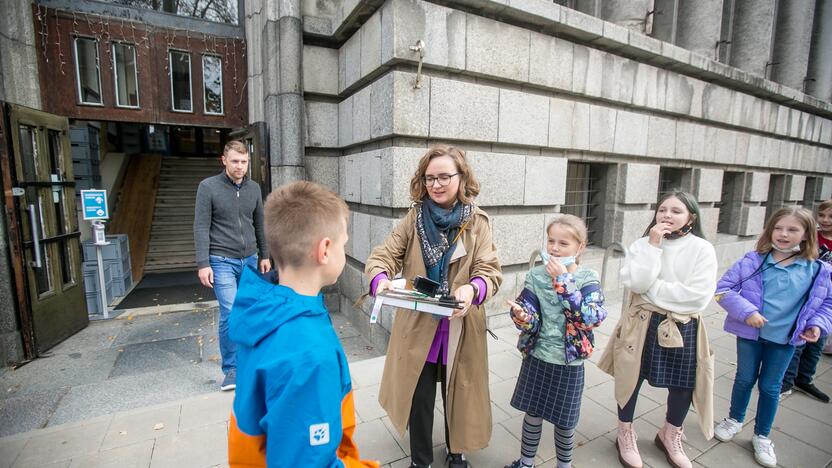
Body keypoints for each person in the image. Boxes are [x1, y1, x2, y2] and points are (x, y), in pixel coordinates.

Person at [364, 145, 502, 468]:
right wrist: (380, 279)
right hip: (419, 326)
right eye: (430, 178)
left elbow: (490, 270)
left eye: (444, 177)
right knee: (419, 397)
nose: (436, 185)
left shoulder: (478, 222)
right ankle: (421, 460)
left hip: (460, 326)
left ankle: (458, 450)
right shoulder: (414, 218)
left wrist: (472, 289)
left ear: (461, 177)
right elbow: (384, 255)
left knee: (459, 395)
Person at [226, 181, 378, 467]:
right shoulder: (309, 356)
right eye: (344, 244)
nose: (345, 253)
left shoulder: (264, 311)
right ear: (325, 250)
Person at [598, 191, 718, 468]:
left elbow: (698, 296)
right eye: (662, 209)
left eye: (676, 211)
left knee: (684, 385)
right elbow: (637, 284)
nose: (666, 215)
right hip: (642, 323)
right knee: (631, 377)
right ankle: (624, 433)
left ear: (692, 217)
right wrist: (653, 245)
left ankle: (670, 434)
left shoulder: (702, 249)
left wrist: (654, 291)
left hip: (684, 324)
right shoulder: (642, 245)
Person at [713, 207, 832, 468]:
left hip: (785, 341)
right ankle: (734, 419)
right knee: (744, 379)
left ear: (806, 235)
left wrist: (817, 325)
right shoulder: (752, 260)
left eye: (792, 229)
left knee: (770, 387)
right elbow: (723, 289)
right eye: (778, 228)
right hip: (749, 335)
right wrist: (747, 312)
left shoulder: (817, 270)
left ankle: (762, 435)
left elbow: (827, 304)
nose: (784, 234)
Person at [504, 215, 607, 468]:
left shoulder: (587, 278)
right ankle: (526, 463)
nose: (554, 248)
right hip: (538, 356)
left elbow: (590, 318)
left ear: (580, 247)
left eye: (563, 243)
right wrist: (522, 315)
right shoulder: (536, 275)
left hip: (569, 362)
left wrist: (563, 281)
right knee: (533, 413)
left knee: (565, 420)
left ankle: (564, 465)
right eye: (551, 241)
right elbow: (531, 315)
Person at [194, 140, 271, 391]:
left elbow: (259, 224)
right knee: (230, 311)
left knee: (248, 309)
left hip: (249, 259)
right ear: (224, 160)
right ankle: (232, 369)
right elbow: (201, 226)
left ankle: (250, 360)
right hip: (221, 260)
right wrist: (203, 263)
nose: (240, 166)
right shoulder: (208, 187)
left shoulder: (254, 189)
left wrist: (264, 255)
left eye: (244, 162)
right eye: (235, 161)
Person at [780, 200, 832, 402]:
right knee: (799, 341)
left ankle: (805, 379)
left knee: (818, 342)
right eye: (822, 215)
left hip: (826, 299)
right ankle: (786, 381)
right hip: (807, 296)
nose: (825, 220)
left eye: (830, 217)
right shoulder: (810, 237)